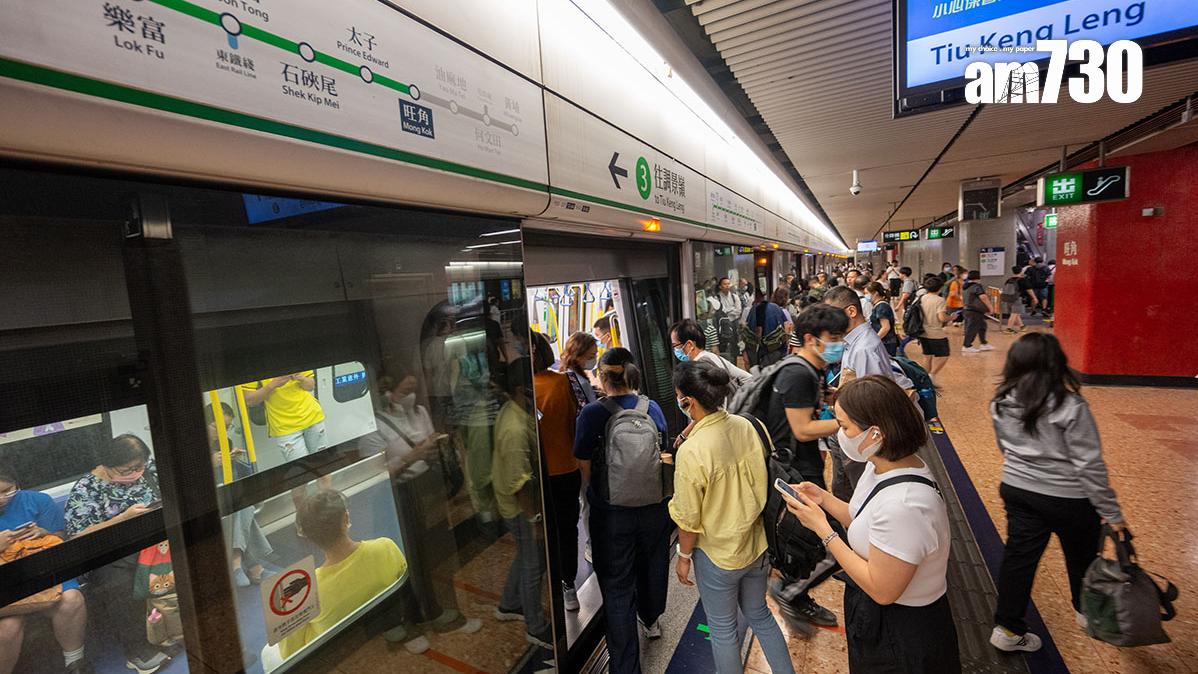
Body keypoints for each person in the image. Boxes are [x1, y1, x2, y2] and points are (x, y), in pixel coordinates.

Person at [783, 376, 960, 672]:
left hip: (902, 633)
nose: (839, 434)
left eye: (844, 426)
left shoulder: (904, 505)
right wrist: (823, 499)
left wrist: (823, 531)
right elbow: (864, 518)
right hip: (876, 616)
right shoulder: (882, 466)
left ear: (876, 433)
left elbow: (882, 589)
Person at [988, 333, 1126, 653]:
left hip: (1018, 490)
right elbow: (1089, 464)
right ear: (1056, 364)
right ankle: (1087, 614)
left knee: (1019, 560)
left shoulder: (1000, 401)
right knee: (1081, 558)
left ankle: (1006, 630)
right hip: (1071, 499)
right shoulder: (1071, 405)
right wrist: (1113, 512)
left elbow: (1004, 448)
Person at [668, 362, 795, 674]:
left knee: (723, 631)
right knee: (760, 616)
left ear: (689, 402)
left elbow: (688, 518)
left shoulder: (693, 451)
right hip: (757, 544)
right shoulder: (746, 426)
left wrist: (683, 556)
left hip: (718, 556)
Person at [357, 369, 481, 654]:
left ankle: (434, 612)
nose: (410, 396)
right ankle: (400, 624)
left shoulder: (420, 412)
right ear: (387, 393)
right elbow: (374, 474)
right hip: (393, 497)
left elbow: (429, 442)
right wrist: (413, 455)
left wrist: (434, 448)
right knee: (399, 561)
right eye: (404, 391)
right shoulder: (373, 426)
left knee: (430, 556)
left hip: (423, 490)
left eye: (414, 389)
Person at [573, 348, 672, 673]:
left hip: (611, 516)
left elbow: (583, 462)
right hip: (654, 509)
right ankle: (651, 618)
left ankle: (626, 667)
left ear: (602, 377)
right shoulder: (653, 408)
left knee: (616, 586)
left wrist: (601, 491)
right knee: (652, 566)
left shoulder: (592, 413)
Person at [762, 304, 848, 629]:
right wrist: (848, 421)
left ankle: (796, 592)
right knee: (833, 541)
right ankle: (792, 593)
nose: (839, 343)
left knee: (804, 541)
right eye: (834, 337)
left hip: (800, 468)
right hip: (795, 472)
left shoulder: (807, 370)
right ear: (811, 339)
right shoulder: (798, 374)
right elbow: (801, 429)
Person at [64, 435, 170, 674]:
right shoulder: (86, 489)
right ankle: (136, 649)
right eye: (126, 470)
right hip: (110, 555)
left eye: (138, 467)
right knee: (119, 581)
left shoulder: (150, 472)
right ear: (107, 466)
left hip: (155, 544)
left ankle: (174, 629)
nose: (134, 474)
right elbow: (78, 536)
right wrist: (122, 519)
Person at [278, 490, 409, 659]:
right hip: (388, 627)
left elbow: (290, 653)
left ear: (308, 537)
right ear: (346, 519)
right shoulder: (385, 547)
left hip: (340, 655)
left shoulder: (306, 591)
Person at [0, 465, 89, 674]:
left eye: (7, 491)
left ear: (17, 485)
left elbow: (60, 539)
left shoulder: (39, 501)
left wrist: (43, 532)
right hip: (5, 583)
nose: (1, 498)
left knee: (71, 599)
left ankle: (75, 662)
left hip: (43, 571)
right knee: (7, 627)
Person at [492, 358, 553, 649]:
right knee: (533, 563)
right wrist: (535, 521)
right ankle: (535, 625)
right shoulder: (514, 429)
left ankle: (509, 603)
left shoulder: (515, 408)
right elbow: (521, 485)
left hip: (517, 504)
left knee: (524, 556)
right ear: (519, 388)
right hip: (520, 509)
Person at [530, 332, 583, 612]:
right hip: (566, 467)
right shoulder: (562, 382)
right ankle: (568, 584)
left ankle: (544, 589)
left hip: (539, 474)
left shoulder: (524, 391)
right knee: (567, 529)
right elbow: (573, 423)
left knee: (543, 533)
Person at [204, 403, 273, 588]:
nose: (222, 432)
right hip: (205, 499)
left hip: (226, 493)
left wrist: (229, 459)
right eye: (217, 427)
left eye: (226, 428)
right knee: (243, 507)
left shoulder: (224, 443)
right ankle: (251, 566)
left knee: (243, 506)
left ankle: (240, 564)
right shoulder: (191, 448)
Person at [239, 371, 326, 462]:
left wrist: (301, 378)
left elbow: (310, 386)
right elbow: (250, 401)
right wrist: (272, 385)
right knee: (301, 469)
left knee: (323, 464)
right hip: (285, 427)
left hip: (312, 416)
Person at [746, 288, 792, 368]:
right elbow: (787, 324)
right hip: (780, 347)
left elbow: (758, 331)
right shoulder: (776, 307)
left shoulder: (755, 309)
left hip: (766, 351)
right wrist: (786, 341)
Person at [917, 276, 951, 377]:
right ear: (940, 288)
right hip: (936, 334)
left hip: (923, 332)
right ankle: (932, 374)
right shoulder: (939, 300)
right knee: (944, 355)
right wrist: (951, 317)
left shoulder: (922, 298)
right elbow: (942, 318)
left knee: (927, 356)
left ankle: (925, 378)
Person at [560, 331, 601, 411]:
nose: (594, 360)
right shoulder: (581, 382)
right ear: (577, 356)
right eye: (591, 357)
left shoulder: (567, 374)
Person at [961, 270, 995, 353]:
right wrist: (990, 307)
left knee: (982, 326)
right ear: (978, 277)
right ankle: (967, 345)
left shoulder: (965, 286)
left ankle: (983, 343)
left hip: (967, 309)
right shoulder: (977, 286)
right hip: (974, 310)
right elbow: (983, 297)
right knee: (972, 328)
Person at [865, 282, 899, 357]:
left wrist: (874, 340)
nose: (866, 296)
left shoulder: (882, 307)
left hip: (886, 342)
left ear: (876, 293)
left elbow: (885, 327)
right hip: (884, 341)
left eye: (867, 293)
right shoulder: (878, 306)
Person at [999, 266, 1033, 334]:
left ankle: (1022, 326)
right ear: (1021, 271)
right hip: (1017, 298)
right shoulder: (1022, 280)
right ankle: (1008, 328)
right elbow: (1029, 289)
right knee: (1014, 314)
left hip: (1008, 298)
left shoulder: (1009, 280)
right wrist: (1034, 298)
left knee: (1016, 313)